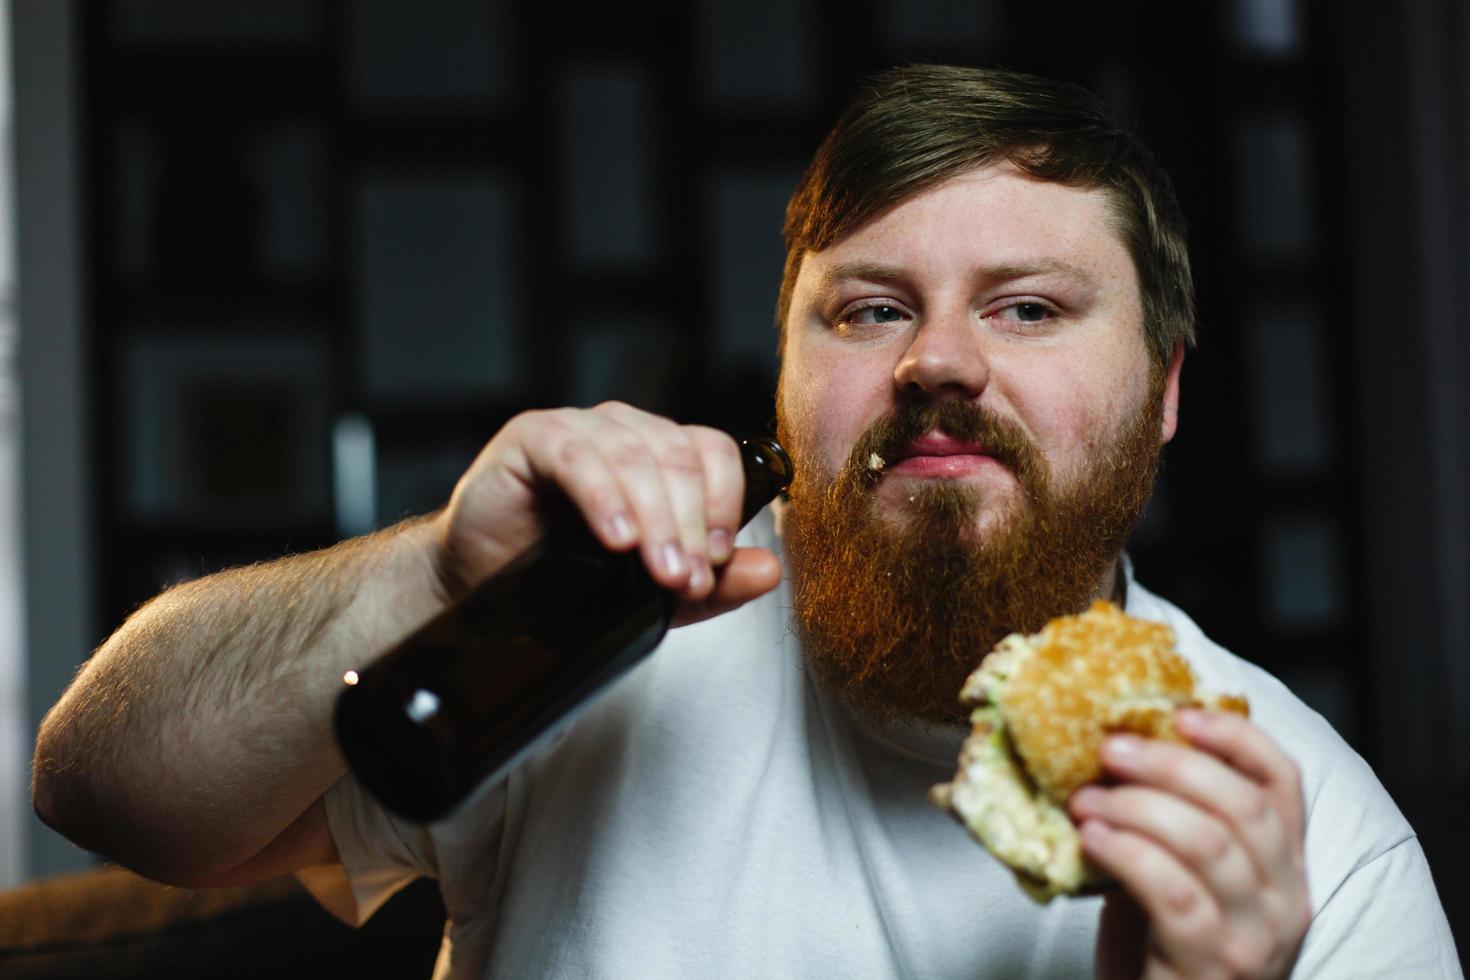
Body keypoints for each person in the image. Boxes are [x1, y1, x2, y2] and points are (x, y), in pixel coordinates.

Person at [32, 65, 1460, 978]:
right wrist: (435, 570)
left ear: (1159, 392)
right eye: (869, 309)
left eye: (1026, 307)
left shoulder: (1320, 853)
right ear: (780, 376)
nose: (938, 363)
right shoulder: (597, 648)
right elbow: (101, 788)